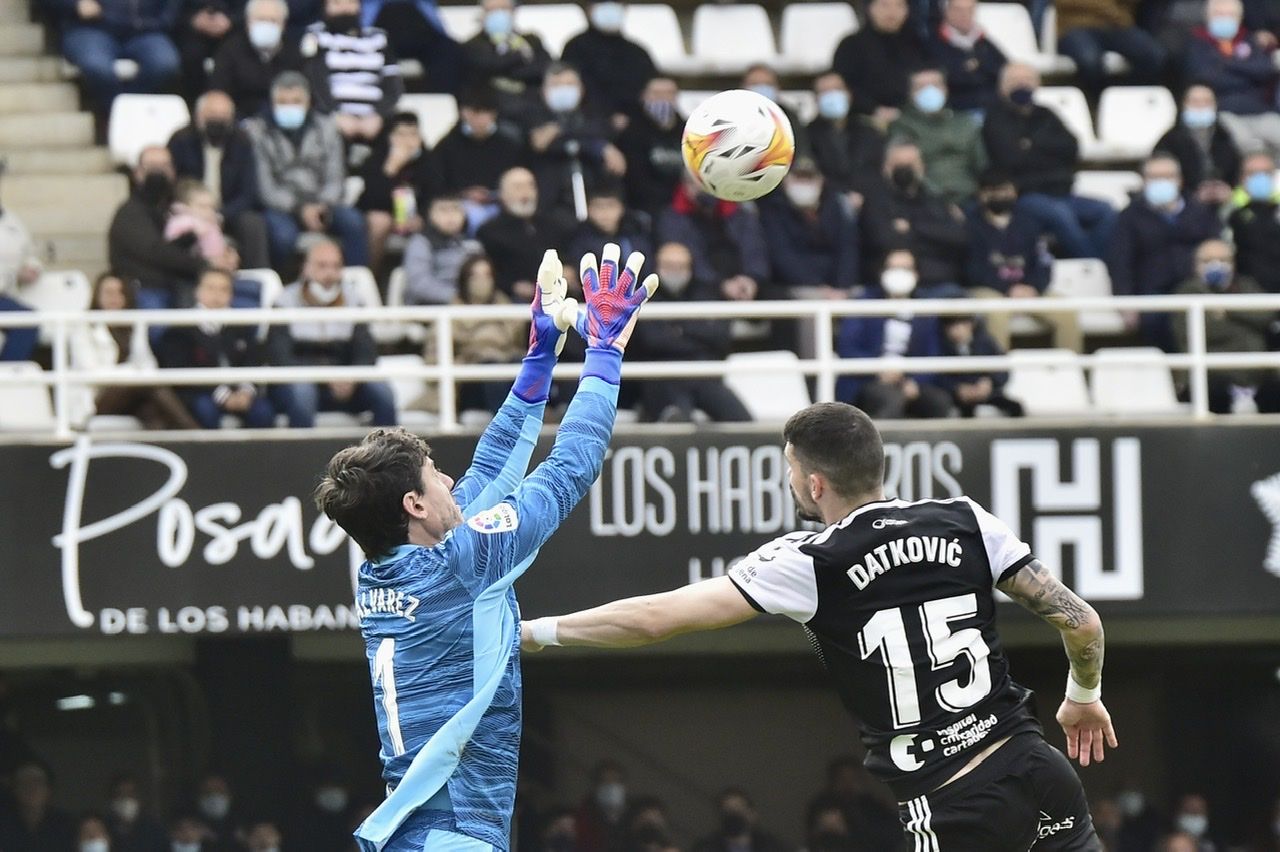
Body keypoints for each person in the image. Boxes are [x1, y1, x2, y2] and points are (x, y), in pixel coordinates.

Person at [522, 400, 1120, 851]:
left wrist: (534, 632)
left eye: (788, 469)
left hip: (954, 802)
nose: (788, 481)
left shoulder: (812, 560)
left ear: (814, 483)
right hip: (1039, 767)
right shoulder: (966, 519)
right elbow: (1082, 622)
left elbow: (655, 620)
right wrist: (1083, 696)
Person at [312, 241, 656, 852]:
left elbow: (490, 470)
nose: (451, 481)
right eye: (435, 475)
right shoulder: (461, 566)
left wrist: (540, 354)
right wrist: (604, 355)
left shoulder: (390, 569)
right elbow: (567, 470)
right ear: (414, 506)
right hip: (453, 836)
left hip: (424, 834)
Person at [983, 62, 1116, 259]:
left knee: (1105, 211)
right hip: (1024, 196)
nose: (1022, 85)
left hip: (1061, 192)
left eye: (1027, 80)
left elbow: (1071, 147)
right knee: (1061, 215)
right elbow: (1010, 158)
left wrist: (1031, 144)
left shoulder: (1046, 114)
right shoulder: (995, 119)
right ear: (1002, 87)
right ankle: (1093, 263)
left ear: (1037, 84)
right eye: (1014, 81)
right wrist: (1045, 149)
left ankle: (1094, 262)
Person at [244, 71, 369, 269]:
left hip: (323, 202)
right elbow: (265, 187)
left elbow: (336, 176)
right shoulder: (257, 131)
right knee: (282, 236)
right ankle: (282, 287)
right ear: (272, 102)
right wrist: (300, 208)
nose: (289, 107)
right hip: (281, 206)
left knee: (354, 223)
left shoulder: (327, 127)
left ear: (308, 101)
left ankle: (355, 283)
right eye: (283, 102)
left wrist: (321, 205)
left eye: (296, 101)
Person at [268, 240, 396, 427]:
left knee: (382, 391)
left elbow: (367, 351)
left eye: (336, 266)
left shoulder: (354, 301)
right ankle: (301, 455)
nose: (330, 273)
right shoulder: (284, 302)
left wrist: (351, 377)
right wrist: (325, 376)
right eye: (322, 266)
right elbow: (280, 357)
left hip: (347, 383)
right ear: (306, 268)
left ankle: (391, 455)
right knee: (302, 393)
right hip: (300, 381)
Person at [1107, 152, 1222, 350]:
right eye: (1154, 177)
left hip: (1196, 287)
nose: (1161, 182)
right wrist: (1125, 300)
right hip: (1152, 292)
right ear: (1144, 181)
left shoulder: (1201, 212)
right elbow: (1120, 263)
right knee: (1155, 322)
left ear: (1179, 180)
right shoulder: (1129, 217)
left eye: (1167, 177)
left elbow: (1217, 249)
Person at [629, 241, 750, 423]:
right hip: (661, 376)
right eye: (669, 266)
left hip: (703, 374)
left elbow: (720, 337)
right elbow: (650, 340)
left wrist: (678, 329)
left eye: (681, 266)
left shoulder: (706, 293)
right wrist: (695, 330)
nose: (675, 271)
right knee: (678, 420)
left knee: (741, 420)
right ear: (657, 266)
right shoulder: (644, 295)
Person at [966, 170, 1083, 351]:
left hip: (1028, 289)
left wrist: (1033, 287)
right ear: (982, 194)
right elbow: (971, 269)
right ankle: (998, 375)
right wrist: (1007, 289)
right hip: (989, 290)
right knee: (996, 313)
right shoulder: (970, 226)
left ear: (1014, 191)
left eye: (1005, 190)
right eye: (993, 191)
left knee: (1067, 312)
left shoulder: (1029, 222)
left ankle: (1070, 372)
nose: (1000, 196)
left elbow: (1043, 262)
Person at [70, 272, 200, 429]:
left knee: (151, 412)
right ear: (97, 295)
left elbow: (147, 362)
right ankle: (196, 433)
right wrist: (131, 372)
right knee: (147, 384)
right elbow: (91, 373)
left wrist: (136, 373)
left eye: (120, 293)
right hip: (95, 399)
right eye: (108, 292)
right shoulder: (83, 327)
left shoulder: (135, 325)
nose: (114, 298)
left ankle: (171, 449)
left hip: (133, 393)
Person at [835, 248, 953, 418]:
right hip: (869, 380)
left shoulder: (926, 308)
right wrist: (879, 370)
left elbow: (932, 354)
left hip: (909, 380)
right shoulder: (863, 303)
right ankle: (881, 445)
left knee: (939, 401)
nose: (899, 274)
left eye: (906, 269)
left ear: (916, 274)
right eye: (893, 268)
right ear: (882, 272)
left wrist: (914, 382)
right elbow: (848, 348)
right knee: (890, 398)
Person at [157, 268, 276, 429]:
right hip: (201, 394)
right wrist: (222, 395)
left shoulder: (242, 325)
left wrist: (246, 391)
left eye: (224, 289)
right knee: (205, 409)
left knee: (263, 411)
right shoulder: (180, 328)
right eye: (211, 288)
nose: (217, 295)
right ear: (197, 291)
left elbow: (254, 359)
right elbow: (184, 370)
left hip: (239, 392)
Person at [1172, 238, 1280, 413]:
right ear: (1195, 265)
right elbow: (1202, 332)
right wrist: (1246, 318)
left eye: (1223, 260)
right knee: (1214, 391)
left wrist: (1227, 310)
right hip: (1213, 375)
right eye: (1207, 261)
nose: (1216, 266)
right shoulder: (1187, 291)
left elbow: (1266, 315)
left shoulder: (1246, 286)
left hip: (1255, 374)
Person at [168, 90, 270, 270]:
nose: (218, 121)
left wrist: (220, 215)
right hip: (189, 210)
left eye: (224, 117)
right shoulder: (180, 140)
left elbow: (248, 193)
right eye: (213, 115)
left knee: (253, 223)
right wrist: (195, 211)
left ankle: (257, 275)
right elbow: (174, 185)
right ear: (199, 116)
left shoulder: (241, 142)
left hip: (227, 211)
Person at [522, 63, 626, 224]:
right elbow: (539, 143)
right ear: (543, 91)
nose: (563, 90)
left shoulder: (594, 117)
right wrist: (595, 145)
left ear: (581, 89)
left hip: (593, 205)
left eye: (569, 85)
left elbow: (602, 136)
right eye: (556, 85)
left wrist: (561, 134)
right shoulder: (531, 116)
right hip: (548, 208)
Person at [862, 141, 969, 295]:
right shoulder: (875, 202)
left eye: (911, 164)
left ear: (922, 167)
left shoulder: (935, 200)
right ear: (886, 168)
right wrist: (931, 237)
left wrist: (912, 227)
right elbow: (882, 240)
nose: (906, 170)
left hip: (938, 284)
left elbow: (958, 237)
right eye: (899, 164)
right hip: (887, 288)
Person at [108, 145, 208, 308]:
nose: (158, 172)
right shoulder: (130, 212)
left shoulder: (176, 208)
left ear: (173, 172)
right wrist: (203, 265)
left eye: (164, 166)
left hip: (181, 286)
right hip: (146, 289)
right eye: (152, 167)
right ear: (137, 173)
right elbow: (155, 251)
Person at [1184, 0, 1280, 159]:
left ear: (1239, 17)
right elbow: (1207, 77)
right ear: (1208, 16)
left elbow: (1265, 69)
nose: (1224, 19)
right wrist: (1246, 70)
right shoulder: (1197, 42)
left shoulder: (1250, 39)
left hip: (1261, 112)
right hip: (1225, 113)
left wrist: (1225, 63)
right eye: (1219, 14)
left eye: (1230, 15)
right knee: (1247, 146)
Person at [656, 174, 770, 303]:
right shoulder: (672, 218)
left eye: (709, 185)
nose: (703, 190)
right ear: (685, 185)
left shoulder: (739, 213)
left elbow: (754, 249)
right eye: (696, 183)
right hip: (701, 289)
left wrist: (751, 278)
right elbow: (690, 261)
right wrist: (722, 285)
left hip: (744, 285)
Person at [302, 0, 403, 144]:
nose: (345, 8)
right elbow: (313, 81)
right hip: (331, 120)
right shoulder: (315, 36)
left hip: (376, 121)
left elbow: (393, 84)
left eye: (350, 2)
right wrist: (334, 115)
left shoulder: (379, 38)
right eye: (337, 3)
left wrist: (379, 115)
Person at [757, 157, 860, 295]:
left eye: (809, 178)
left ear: (821, 181)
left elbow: (847, 252)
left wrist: (841, 287)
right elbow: (782, 257)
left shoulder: (835, 208)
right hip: (795, 289)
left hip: (837, 290)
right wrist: (818, 286)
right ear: (785, 181)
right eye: (798, 178)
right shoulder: (774, 211)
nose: (804, 184)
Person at [54, 0, 181, 112]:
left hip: (146, 30)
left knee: (164, 63)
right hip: (91, 28)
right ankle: (117, 113)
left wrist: (163, 20)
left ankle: (124, 112)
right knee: (97, 67)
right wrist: (75, 4)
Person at [431, 86, 526, 232]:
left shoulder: (508, 146)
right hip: (461, 204)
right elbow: (437, 183)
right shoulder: (447, 146)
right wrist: (463, 193)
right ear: (463, 113)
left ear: (494, 114)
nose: (480, 119)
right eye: (475, 112)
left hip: (500, 203)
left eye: (485, 113)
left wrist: (496, 195)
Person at [888, 67, 987, 203]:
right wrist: (941, 205)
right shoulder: (902, 126)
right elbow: (908, 171)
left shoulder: (965, 122)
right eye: (921, 87)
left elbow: (982, 164)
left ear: (945, 89)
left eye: (935, 85)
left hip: (971, 197)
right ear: (910, 93)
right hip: (927, 202)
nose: (929, 91)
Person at [356, 111, 437, 277]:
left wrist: (421, 217)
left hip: (417, 220)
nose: (407, 141)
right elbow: (370, 199)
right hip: (385, 216)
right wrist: (390, 169)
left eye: (413, 134)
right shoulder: (376, 160)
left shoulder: (430, 162)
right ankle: (368, 277)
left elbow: (436, 195)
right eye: (401, 134)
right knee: (379, 222)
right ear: (390, 137)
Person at [477, 167, 569, 301]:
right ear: (502, 194)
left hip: (558, 296)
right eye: (518, 187)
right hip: (512, 301)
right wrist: (513, 286)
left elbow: (566, 255)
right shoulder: (489, 231)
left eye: (530, 186)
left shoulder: (554, 226)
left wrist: (569, 270)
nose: (525, 193)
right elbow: (488, 272)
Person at [832, 0, 927, 128]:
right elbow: (842, 86)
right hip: (862, 119)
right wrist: (873, 109)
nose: (892, 12)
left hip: (912, 119)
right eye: (884, 5)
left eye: (899, 5)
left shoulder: (917, 44)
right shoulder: (851, 45)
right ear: (870, 8)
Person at [451, 253, 526, 414]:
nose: (481, 281)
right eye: (475, 276)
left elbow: (518, 343)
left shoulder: (507, 309)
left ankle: (531, 417)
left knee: (521, 363)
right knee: (491, 366)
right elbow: (435, 356)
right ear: (465, 279)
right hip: (471, 382)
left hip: (507, 368)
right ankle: (504, 425)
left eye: (486, 275)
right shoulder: (451, 313)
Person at [561, 1, 657, 123]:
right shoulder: (574, 48)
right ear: (588, 10)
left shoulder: (638, 53)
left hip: (634, 125)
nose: (609, 7)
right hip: (587, 124)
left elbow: (649, 91)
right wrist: (607, 116)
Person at [209, 0, 306, 118]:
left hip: (281, 122)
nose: (266, 25)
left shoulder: (293, 53)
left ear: (283, 25)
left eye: (272, 20)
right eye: (260, 19)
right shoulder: (230, 51)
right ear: (248, 23)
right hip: (240, 122)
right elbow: (218, 93)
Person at [1152, 84, 1240, 209]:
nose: (1200, 106)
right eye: (1195, 102)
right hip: (1184, 206)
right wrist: (1192, 195)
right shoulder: (1169, 141)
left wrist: (1227, 191)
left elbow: (1237, 173)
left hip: (1225, 203)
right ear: (1183, 105)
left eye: (1206, 102)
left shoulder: (1225, 137)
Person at [1054, 0, 1166, 97]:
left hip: (1114, 24)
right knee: (1090, 61)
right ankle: (1099, 102)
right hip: (1074, 25)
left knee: (1153, 55)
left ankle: (1121, 98)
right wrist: (1105, 8)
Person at [462, 0, 552, 120]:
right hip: (492, 116)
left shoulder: (531, 41)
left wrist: (503, 68)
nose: (499, 14)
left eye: (504, 9)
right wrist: (520, 58)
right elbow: (484, 67)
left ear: (514, 11)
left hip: (532, 112)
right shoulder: (471, 46)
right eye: (492, 10)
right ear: (483, 14)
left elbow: (543, 69)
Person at [806, 73, 887, 196]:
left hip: (870, 201)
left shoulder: (868, 132)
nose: (832, 96)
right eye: (825, 92)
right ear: (816, 100)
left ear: (848, 94)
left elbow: (877, 170)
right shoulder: (807, 136)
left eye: (837, 89)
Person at [616, 77, 685, 219]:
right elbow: (634, 178)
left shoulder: (688, 130)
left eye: (668, 93)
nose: (662, 98)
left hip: (682, 205)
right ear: (644, 96)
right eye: (656, 94)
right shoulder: (631, 132)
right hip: (644, 208)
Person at [928, 0, 1006, 115]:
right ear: (946, 12)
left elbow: (1004, 70)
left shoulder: (983, 42)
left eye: (969, 10)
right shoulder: (933, 43)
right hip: (958, 112)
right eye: (958, 10)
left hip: (994, 107)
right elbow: (945, 77)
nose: (964, 15)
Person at [934, 314, 1022, 417]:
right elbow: (937, 376)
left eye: (963, 324)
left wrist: (989, 382)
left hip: (987, 393)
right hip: (957, 396)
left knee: (1015, 407)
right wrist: (957, 388)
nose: (957, 330)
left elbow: (1003, 369)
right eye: (952, 326)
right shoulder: (940, 346)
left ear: (971, 324)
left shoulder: (985, 342)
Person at [402, 195, 482, 305]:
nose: (451, 216)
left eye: (456, 209)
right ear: (430, 215)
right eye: (443, 210)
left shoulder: (472, 245)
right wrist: (455, 297)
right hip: (430, 310)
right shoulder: (421, 243)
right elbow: (418, 283)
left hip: (468, 307)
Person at [565, 186, 653, 277]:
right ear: (588, 209)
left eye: (611, 206)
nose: (605, 213)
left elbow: (647, 269)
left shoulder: (636, 234)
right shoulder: (579, 239)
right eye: (598, 207)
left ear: (622, 208)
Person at [1227, 150, 1280, 293]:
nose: (1259, 178)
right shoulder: (1232, 215)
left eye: (1265, 173)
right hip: (1249, 292)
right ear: (1242, 179)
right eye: (1252, 173)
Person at [0, 760, 78, 851]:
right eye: (24, 783)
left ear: (48, 790)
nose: (31, 788)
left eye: (37, 782)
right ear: (14, 789)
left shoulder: (67, 824)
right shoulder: (3, 823)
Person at [0, 200, 42, 363]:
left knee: (27, 321)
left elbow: (31, 254)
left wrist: (32, 268)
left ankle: (8, 377)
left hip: (5, 295)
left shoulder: (12, 221)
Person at [692, 789, 787, 852]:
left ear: (752, 814)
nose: (733, 815)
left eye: (738, 809)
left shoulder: (771, 846)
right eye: (728, 810)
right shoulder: (706, 848)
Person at [164, 179, 228, 264]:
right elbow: (172, 247)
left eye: (211, 207)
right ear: (185, 207)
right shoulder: (180, 223)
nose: (209, 211)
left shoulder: (212, 224)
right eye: (202, 207)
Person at [104, 773, 168, 852]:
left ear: (139, 798)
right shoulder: (103, 827)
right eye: (120, 794)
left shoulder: (154, 828)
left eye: (130, 794)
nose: (126, 799)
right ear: (112, 799)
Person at [576, 761, 628, 852]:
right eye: (605, 782)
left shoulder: (633, 815)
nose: (611, 786)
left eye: (616, 781)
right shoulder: (583, 816)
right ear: (596, 787)